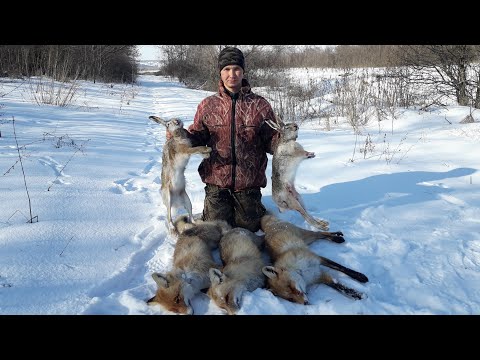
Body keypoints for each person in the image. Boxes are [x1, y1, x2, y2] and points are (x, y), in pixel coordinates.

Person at [183, 46, 280, 233]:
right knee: (216, 231)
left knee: (248, 230)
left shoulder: (260, 104)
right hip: (217, 182)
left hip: (249, 183)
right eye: (226, 69)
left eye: (236, 69)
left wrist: (284, 142)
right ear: (220, 72)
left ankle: (254, 206)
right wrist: (181, 137)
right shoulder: (208, 105)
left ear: (243, 71)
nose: (232, 74)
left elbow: (271, 140)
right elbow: (197, 135)